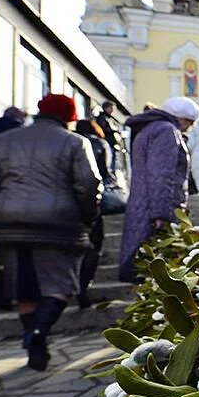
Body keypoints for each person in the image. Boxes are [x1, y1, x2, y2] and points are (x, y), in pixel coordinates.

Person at [0, 94, 101, 371]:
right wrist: (88, 217)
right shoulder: (76, 142)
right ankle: (39, 332)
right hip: (60, 224)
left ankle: (35, 348)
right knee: (63, 285)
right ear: (69, 116)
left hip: (10, 223)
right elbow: (89, 185)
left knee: (24, 289)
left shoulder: (7, 140)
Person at [119, 97, 199, 284]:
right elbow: (161, 174)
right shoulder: (166, 131)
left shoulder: (149, 129)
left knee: (142, 267)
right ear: (183, 119)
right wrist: (161, 214)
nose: (188, 128)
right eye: (189, 123)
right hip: (155, 211)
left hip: (143, 205)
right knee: (153, 268)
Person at [74, 119, 112, 308]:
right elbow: (104, 172)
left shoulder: (70, 141)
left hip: (67, 203)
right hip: (91, 202)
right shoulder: (99, 144)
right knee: (93, 246)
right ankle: (83, 287)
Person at [95, 101, 124, 175]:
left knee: (112, 165)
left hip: (111, 144)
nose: (112, 110)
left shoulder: (109, 119)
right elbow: (104, 129)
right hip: (107, 144)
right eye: (111, 108)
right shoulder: (102, 118)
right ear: (106, 108)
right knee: (109, 165)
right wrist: (114, 131)